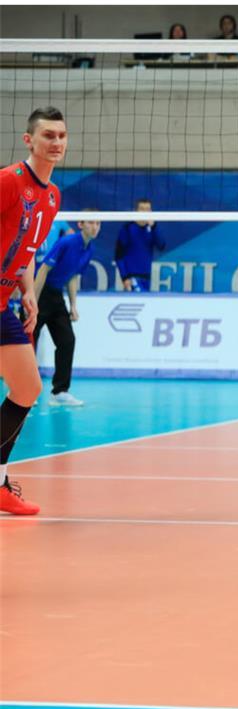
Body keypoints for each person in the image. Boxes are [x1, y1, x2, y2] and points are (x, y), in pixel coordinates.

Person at [0, 106, 67, 516]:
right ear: (29, 140)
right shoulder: (9, 181)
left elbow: (25, 251)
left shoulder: (52, 196)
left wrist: (27, 292)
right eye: (47, 136)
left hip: (4, 300)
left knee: (27, 388)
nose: (56, 143)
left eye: (61, 135)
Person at [33, 212, 100, 407]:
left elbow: (72, 276)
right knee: (29, 340)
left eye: (98, 223)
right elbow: (44, 269)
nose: (95, 227)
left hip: (56, 296)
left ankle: (60, 391)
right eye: (91, 222)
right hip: (41, 291)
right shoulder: (66, 242)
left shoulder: (89, 249)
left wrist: (73, 306)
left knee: (67, 340)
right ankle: (21, 389)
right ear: (80, 224)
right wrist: (33, 302)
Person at [114, 198, 165, 291]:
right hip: (132, 278)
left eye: (148, 209)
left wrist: (153, 227)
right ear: (136, 211)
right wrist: (125, 277)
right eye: (142, 209)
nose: (145, 212)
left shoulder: (152, 229)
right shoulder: (127, 229)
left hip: (147, 278)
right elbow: (118, 256)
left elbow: (161, 246)